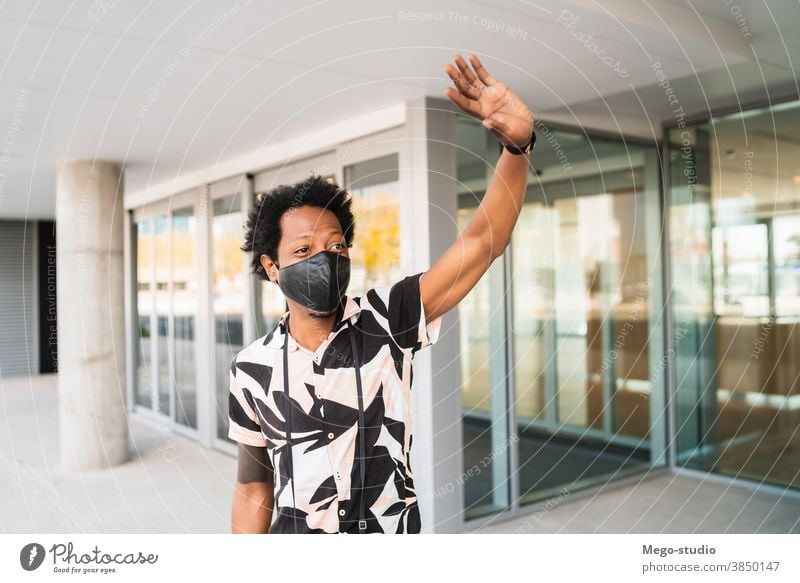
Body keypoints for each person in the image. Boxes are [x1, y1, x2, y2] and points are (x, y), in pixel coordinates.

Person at [229, 53, 534, 534]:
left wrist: (517, 149)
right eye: (304, 249)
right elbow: (253, 489)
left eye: (335, 245)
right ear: (272, 266)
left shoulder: (388, 318)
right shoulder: (251, 368)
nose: (324, 258)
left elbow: (481, 243)